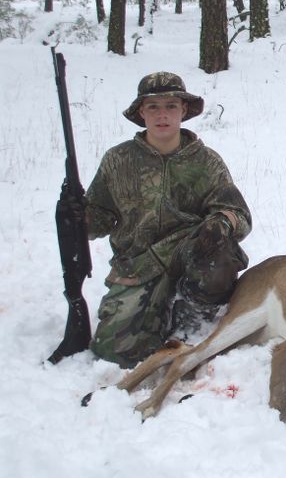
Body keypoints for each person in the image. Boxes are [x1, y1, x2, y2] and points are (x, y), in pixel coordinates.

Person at [78, 72, 252, 368]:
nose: (163, 115)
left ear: (183, 111)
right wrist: (78, 217)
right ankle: (156, 315)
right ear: (141, 112)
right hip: (139, 267)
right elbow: (99, 220)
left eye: (171, 106)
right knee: (115, 353)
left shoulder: (206, 161)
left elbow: (240, 216)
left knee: (218, 251)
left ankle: (194, 323)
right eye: (153, 107)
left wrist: (221, 223)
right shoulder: (118, 160)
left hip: (190, 257)